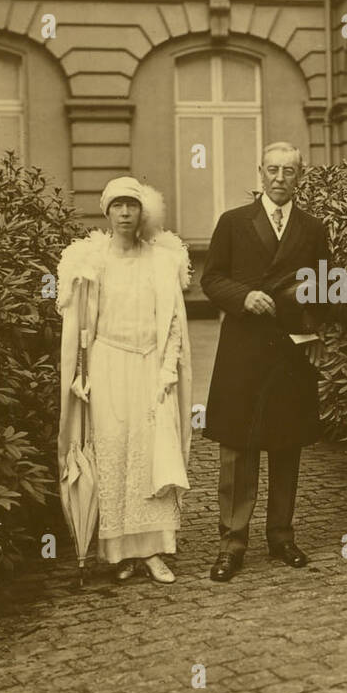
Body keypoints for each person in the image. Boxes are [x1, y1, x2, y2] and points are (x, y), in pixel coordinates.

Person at [200, 142, 332, 582]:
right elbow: (211, 278)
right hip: (243, 348)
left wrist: (311, 328)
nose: (279, 178)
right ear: (260, 172)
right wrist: (244, 296)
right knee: (237, 447)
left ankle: (281, 535)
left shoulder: (313, 228)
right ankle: (232, 542)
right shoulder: (233, 223)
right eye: (272, 170)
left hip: (290, 351)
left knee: (286, 441)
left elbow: (325, 286)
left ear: (301, 176)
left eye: (289, 171)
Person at [57, 176, 193, 584]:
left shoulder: (161, 260)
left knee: (151, 455)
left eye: (132, 205)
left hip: (151, 367)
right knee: (114, 452)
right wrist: (82, 375)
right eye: (116, 206)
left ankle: (152, 550)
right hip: (107, 364)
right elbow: (78, 329)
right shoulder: (90, 262)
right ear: (106, 211)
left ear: (143, 212)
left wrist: (168, 369)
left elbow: (173, 324)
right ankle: (120, 553)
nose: (124, 213)